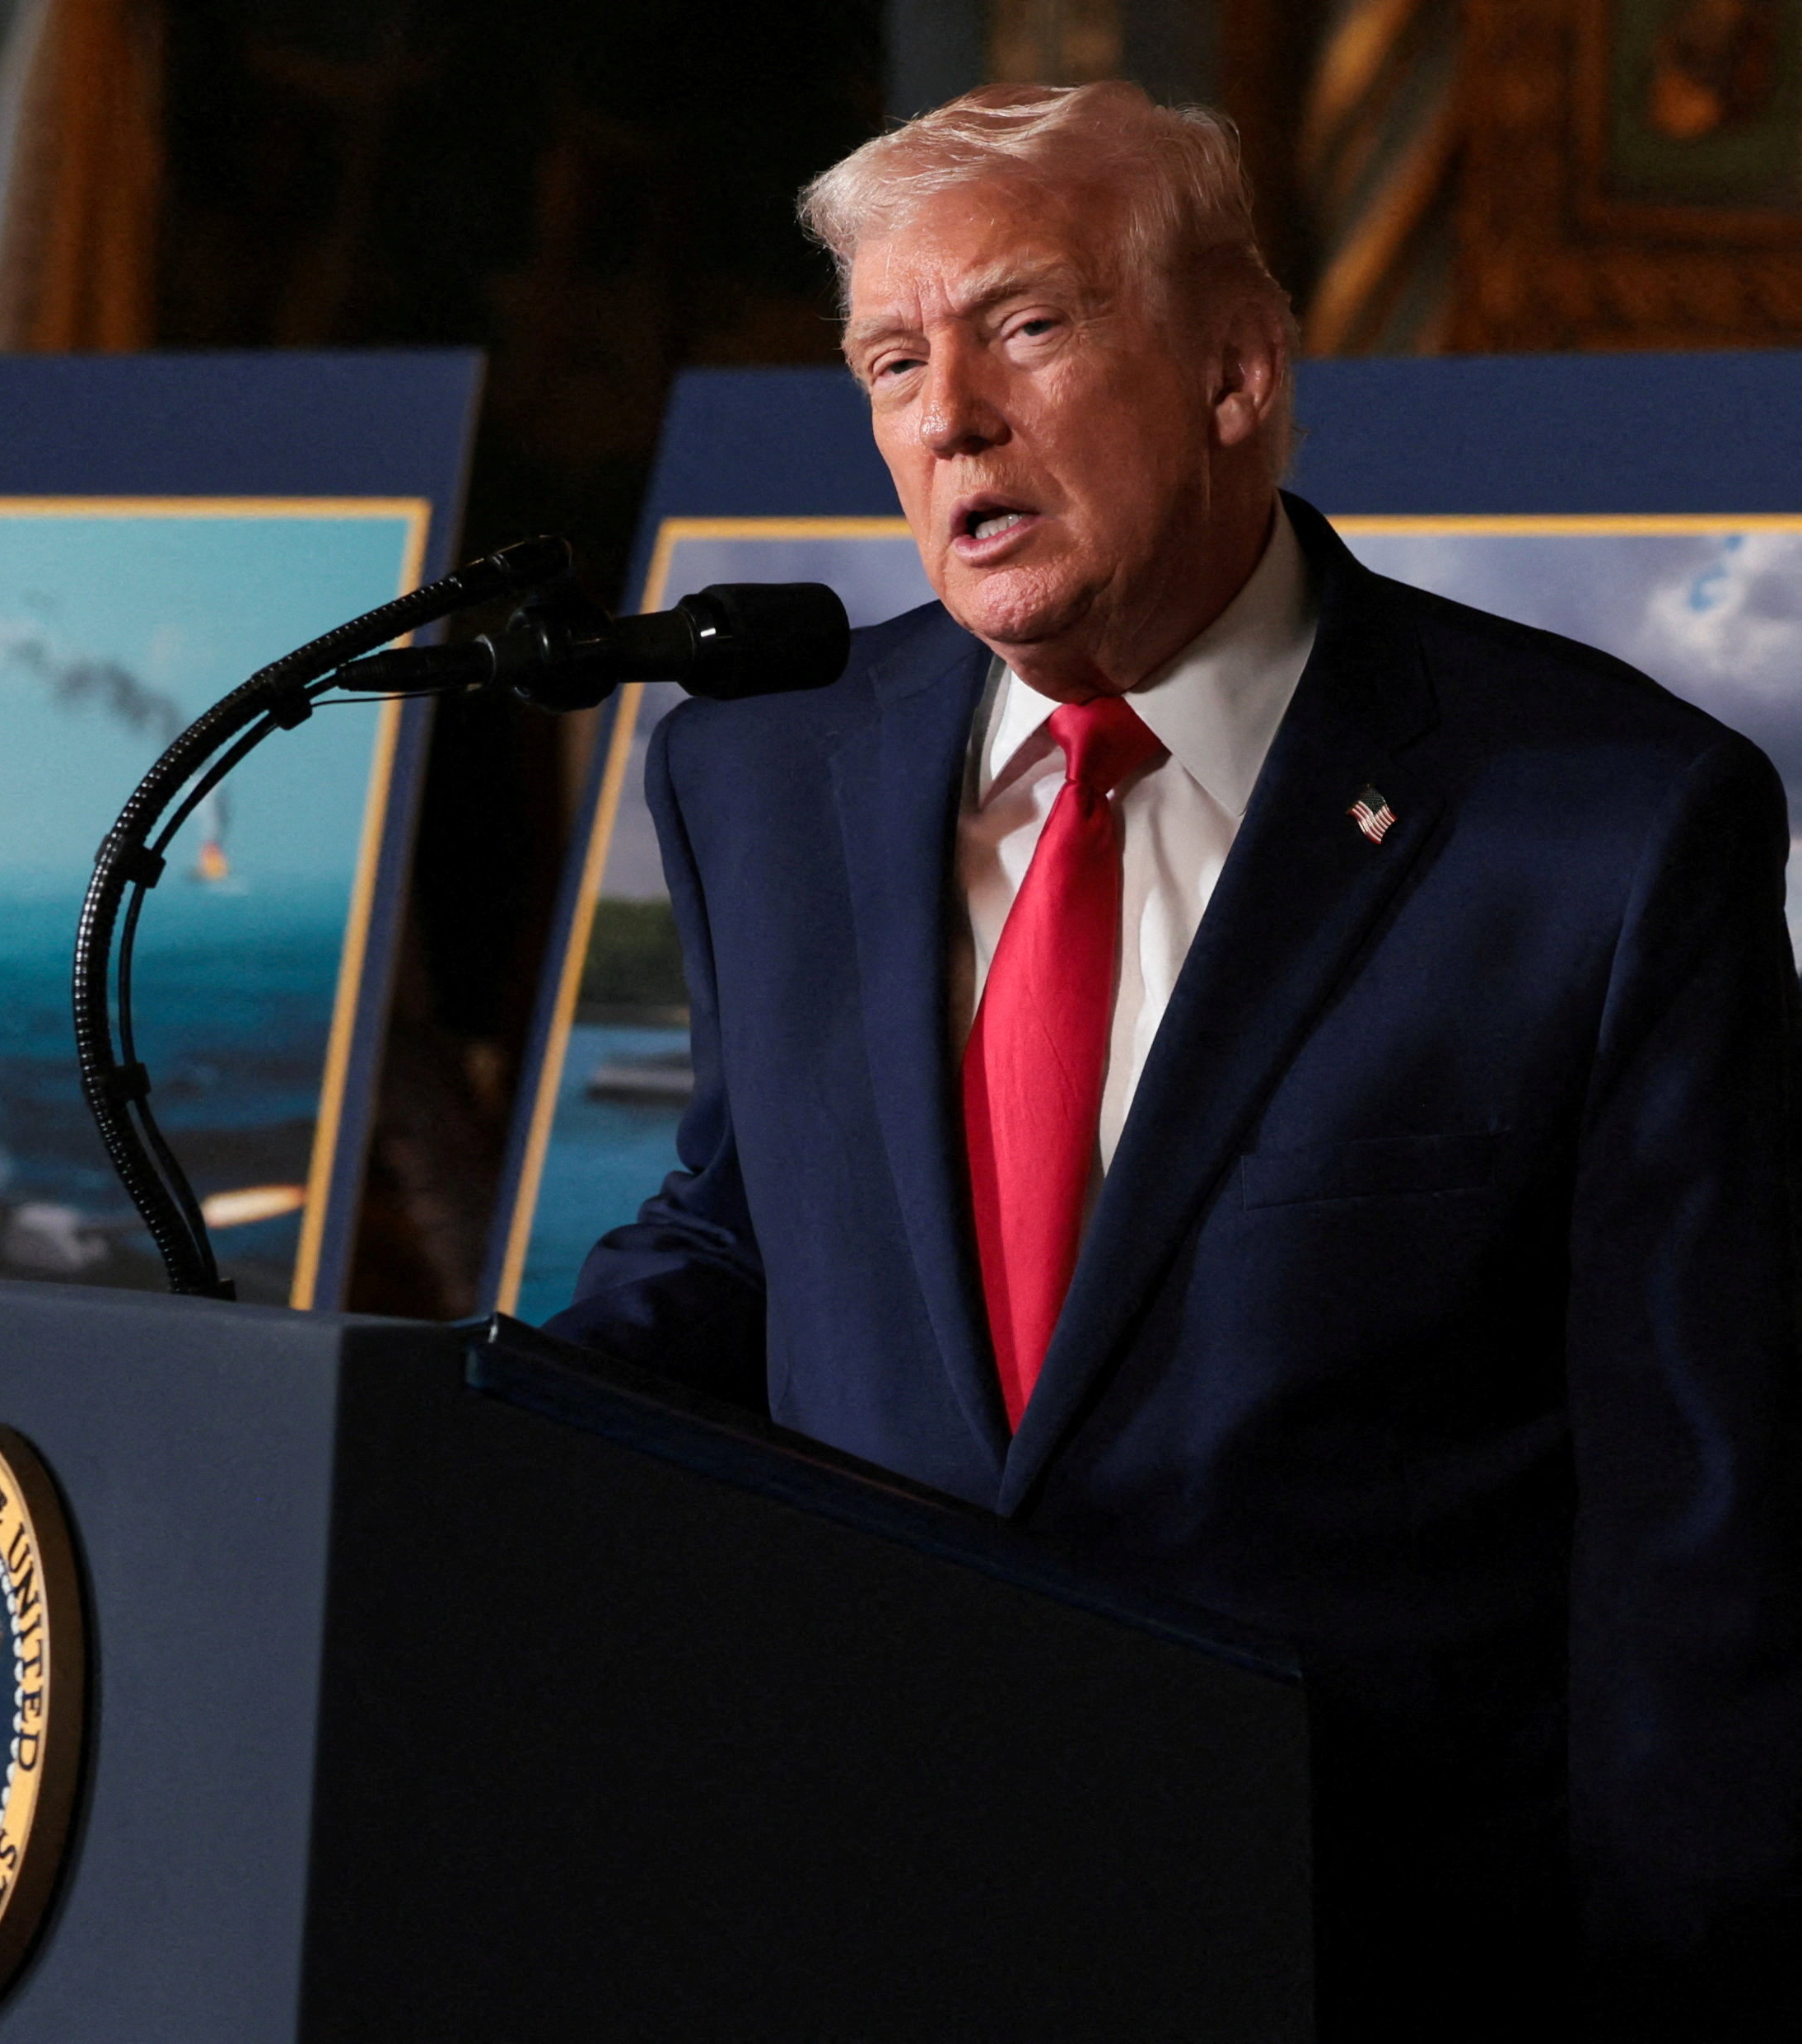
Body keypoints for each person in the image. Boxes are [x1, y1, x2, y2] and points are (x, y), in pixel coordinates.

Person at [546, 82, 1802, 2032]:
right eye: (892, 361)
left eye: (1025, 326)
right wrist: (450, 1421)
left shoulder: (1605, 829)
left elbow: (1699, 1529)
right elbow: (751, 1221)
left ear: (1234, 367)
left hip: (1360, 1948)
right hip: (869, 1916)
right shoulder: (757, 774)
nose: (949, 416)